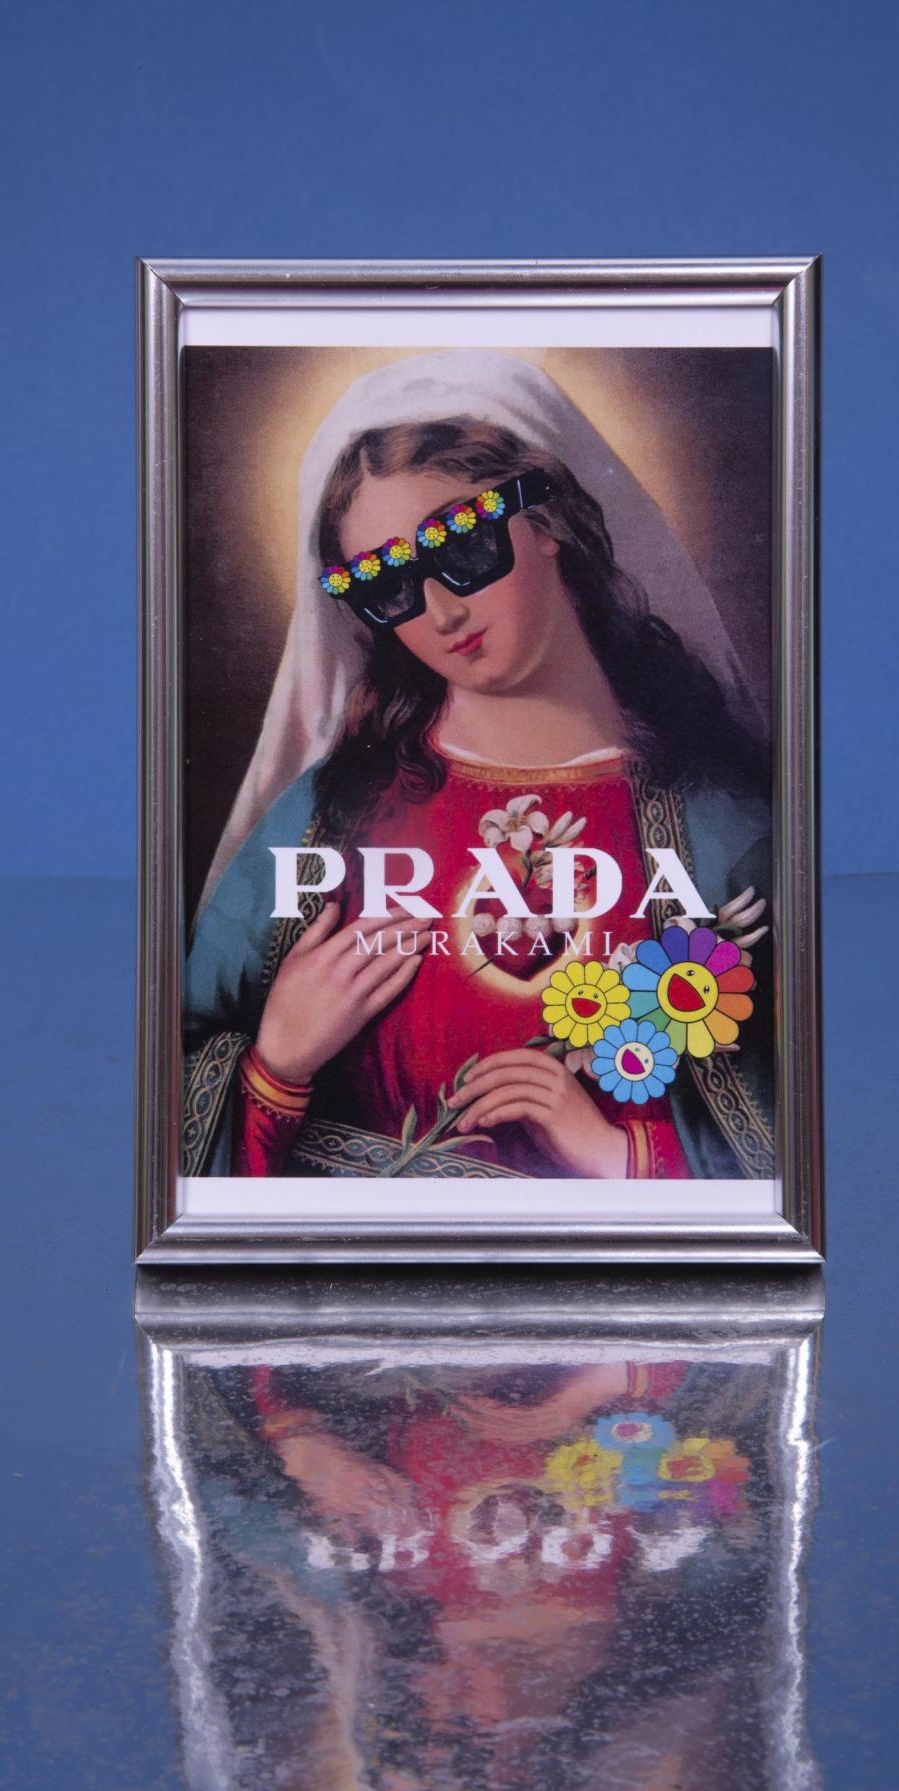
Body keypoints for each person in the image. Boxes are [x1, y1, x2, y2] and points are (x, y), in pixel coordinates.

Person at [183, 353, 773, 1181]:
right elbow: (179, 1063)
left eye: (460, 545)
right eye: (387, 584)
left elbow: (787, 1137)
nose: (441, 611)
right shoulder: (328, 816)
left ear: (547, 519)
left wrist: (615, 1155)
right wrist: (276, 1064)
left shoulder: (720, 829)